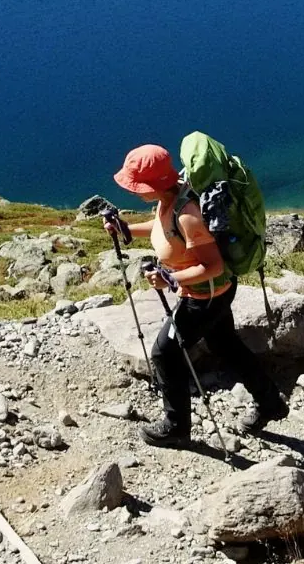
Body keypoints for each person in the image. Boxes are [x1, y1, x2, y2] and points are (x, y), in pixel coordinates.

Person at [107, 143, 287, 447]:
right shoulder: (173, 195)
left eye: (137, 185)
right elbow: (165, 228)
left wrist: (169, 278)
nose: (134, 191)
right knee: (226, 345)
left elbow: (213, 265)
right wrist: (126, 229)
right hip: (215, 292)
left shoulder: (188, 212)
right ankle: (270, 402)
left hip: (205, 297)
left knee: (164, 353)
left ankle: (176, 426)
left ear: (153, 184)